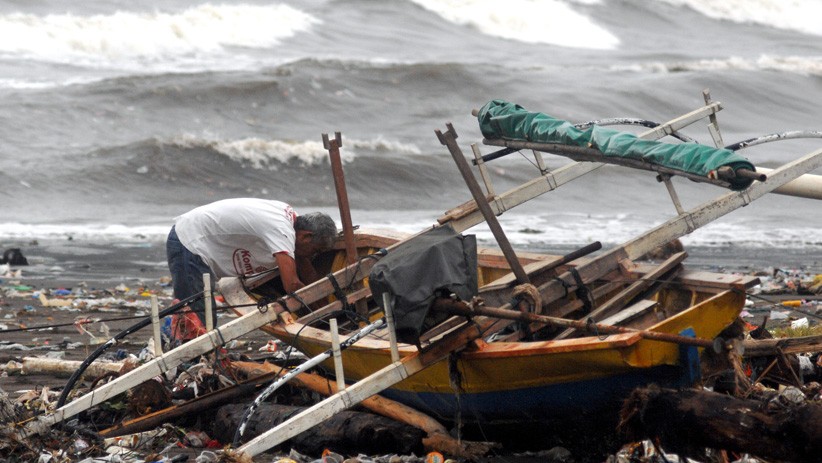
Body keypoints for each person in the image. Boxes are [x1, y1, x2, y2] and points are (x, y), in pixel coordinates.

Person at [166, 198, 338, 331]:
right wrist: (322, 315)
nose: (313, 255)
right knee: (198, 318)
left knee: (200, 315)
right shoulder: (282, 229)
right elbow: (292, 285)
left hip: (195, 239)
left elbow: (307, 271)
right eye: (315, 250)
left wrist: (330, 307)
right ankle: (189, 361)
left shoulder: (293, 223)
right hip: (189, 241)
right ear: (306, 237)